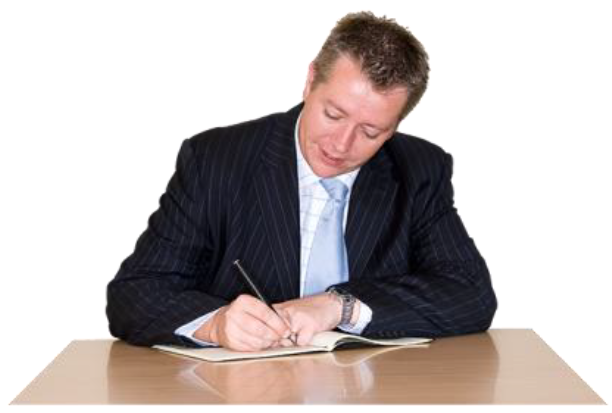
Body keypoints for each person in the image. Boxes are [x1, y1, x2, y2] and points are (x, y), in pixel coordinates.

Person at [106, 11, 497, 351]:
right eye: (333, 114)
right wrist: (216, 324)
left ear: (394, 127)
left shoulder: (419, 169)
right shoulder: (216, 159)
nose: (341, 145)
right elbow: (134, 294)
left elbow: (470, 295)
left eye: (371, 132)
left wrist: (339, 306)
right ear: (310, 81)